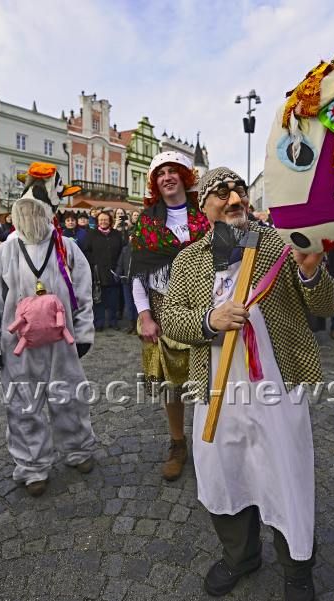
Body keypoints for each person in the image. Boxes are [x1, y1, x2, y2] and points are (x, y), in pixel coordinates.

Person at [161, 167, 334, 600]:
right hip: (217, 390)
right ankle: (241, 556)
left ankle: (297, 568)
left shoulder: (279, 243)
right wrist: (210, 320)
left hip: (276, 387)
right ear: (203, 207)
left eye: (238, 189)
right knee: (225, 473)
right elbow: (170, 319)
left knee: (286, 474)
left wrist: (313, 273)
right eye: (220, 193)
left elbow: (328, 305)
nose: (234, 198)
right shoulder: (189, 260)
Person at [0, 162, 95, 497]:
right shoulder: (7, 251)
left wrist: (84, 333)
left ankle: (77, 448)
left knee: (69, 396)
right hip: (18, 343)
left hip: (61, 339)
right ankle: (32, 465)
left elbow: (83, 294)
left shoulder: (67, 248)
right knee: (23, 403)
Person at [130, 151, 210, 481]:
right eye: (160, 172)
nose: (167, 176)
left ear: (184, 176)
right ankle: (178, 443)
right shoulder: (147, 221)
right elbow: (137, 275)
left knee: (212, 379)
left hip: (204, 305)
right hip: (163, 307)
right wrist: (146, 316)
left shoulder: (205, 216)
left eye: (172, 170)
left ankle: (212, 442)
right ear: (155, 182)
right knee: (172, 386)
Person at [85, 210, 122, 331]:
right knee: (98, 299)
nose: (103, 221)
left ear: (110, 221)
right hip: (98, 272)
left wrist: (119, 267)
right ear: (97, 221)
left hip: (114, 271)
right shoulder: (92, 234)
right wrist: (94, 264)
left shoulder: (116, 234)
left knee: (113, 299)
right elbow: (87, 251)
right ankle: (99, 323)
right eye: (101, 220)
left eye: (105, 219)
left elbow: (122, 250)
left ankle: (113, 321)